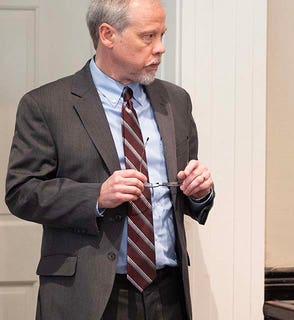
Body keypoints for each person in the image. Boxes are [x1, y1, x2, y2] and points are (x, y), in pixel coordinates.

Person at [4, 0, 214, 319]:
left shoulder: (176, 101)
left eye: (163, 35)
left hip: (168, 293)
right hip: (87, 295)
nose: (160, 48)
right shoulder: (45, 105)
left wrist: (200, 193)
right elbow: (21, 193)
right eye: (148, 36)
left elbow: (186, 193)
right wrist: (97, 197)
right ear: (107, 34)